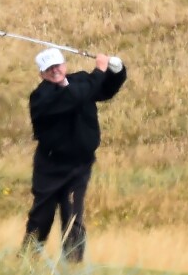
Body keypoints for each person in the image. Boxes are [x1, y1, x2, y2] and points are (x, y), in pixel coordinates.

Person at [21, 47, 127, 262]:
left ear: (64, 65)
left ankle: (73, 266)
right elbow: (75, 97)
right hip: (50, 166)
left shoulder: (79, 81)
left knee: (73, 216)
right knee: (41, 217)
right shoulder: (41, 97)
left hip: (79, 165)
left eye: (57, 66)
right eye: (48, 68)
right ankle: (26, 263)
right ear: (41, 73)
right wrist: (99, 70)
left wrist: (117, 71)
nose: (54, 71)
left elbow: (105, 90)